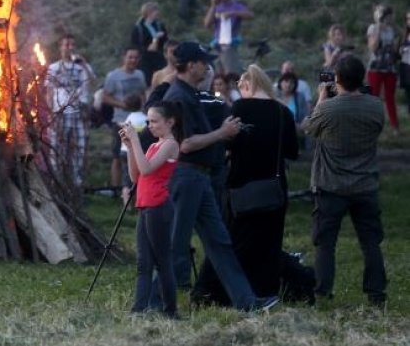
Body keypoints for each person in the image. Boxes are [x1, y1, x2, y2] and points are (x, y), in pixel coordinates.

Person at [158, 42, 279, 312]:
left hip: (200, 178)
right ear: (191, 66)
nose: (208, 66)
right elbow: (186, 144)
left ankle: (246, 302)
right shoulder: (180, 96)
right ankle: (152, 302)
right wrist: (221, 134)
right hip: (188, 175)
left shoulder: (190, 92)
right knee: (176, 243)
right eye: (203, 62)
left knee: (219, 242)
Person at [302, 55, 387, 306]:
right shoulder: (376, 106)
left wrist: (321, 97)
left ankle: (322, 292)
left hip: (331, 185)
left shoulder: (328, 108)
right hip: (365, 184)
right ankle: (376, 293)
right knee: (371, 242)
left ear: (337, 79)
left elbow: (309, 128)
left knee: (326, 243)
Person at [224, 66, 299, 298]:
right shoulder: (282, 111)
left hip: (242, 183)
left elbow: (230, 143)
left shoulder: (239, 108)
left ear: (248, 85)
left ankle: (236, 290)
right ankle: (267, 290)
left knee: (238, 240)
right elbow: (292, 151)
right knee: (270, 242)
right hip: (273, 186)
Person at [120, 103, 179, 318]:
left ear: (169, 122)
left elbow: (146, 168)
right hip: (145, 206)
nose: (150, 126)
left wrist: (135, 140)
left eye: (154, 121)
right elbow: (137, 176)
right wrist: (129, 146)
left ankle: (170, 310)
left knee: (162, 261)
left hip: (159, 206)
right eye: (148, 121)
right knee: (143, 262)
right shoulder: (155, 145)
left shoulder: (170, 145)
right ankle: (139, 309)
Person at [44, 34, 97, 186]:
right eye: (66, 45)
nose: (70, 48)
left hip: (79, 112)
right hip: (60, 111)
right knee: (57, 149)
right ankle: (57, 183)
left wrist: (85, 63)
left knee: (79, 148)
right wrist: (50, 114)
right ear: (60, 47)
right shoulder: (53, 68)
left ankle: (76, 184)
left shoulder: (82, 67)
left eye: (72, 45)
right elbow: (49, 92)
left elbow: (93, 82)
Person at [102, 48, 148, 189]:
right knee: (117, 155)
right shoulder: (114, 76)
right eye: (130, 57)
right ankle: (116, 189)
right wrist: (122, 104)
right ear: (124, 57)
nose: (133, 60)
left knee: (140, 153)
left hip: (139, 122)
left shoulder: (140, 75)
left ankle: (136, 187)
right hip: (121, 121)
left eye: (135, 57)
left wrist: (145, 109)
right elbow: (105, 97)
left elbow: (143, 93)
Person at [203, 0, 253, 75]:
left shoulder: (236, 6)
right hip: (217, 46)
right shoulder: (216, 7)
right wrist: (213, 5)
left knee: (231, 74)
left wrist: (233, 13)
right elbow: (207, 24)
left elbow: (250, 15)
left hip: (230, 45)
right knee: (218, 75)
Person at [366, 4, 400, 130]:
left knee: (390, 96)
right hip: (375, 67)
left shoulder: (391, 30)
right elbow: (373, 47)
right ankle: (373, 124)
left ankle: (394, 124)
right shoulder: (373, 28)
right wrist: (379, 29)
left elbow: (394, 48)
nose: (387, 18)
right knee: (374, 96)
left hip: (389, 67)